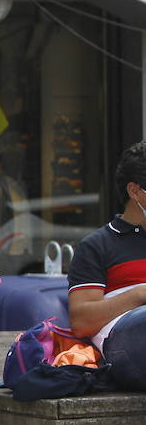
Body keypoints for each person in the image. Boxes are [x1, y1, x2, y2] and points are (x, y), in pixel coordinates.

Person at [69, 140, 146, 391]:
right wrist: (140, 293)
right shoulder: (97, 245)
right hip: (126, 343)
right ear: (135, 191)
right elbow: (82, 321)